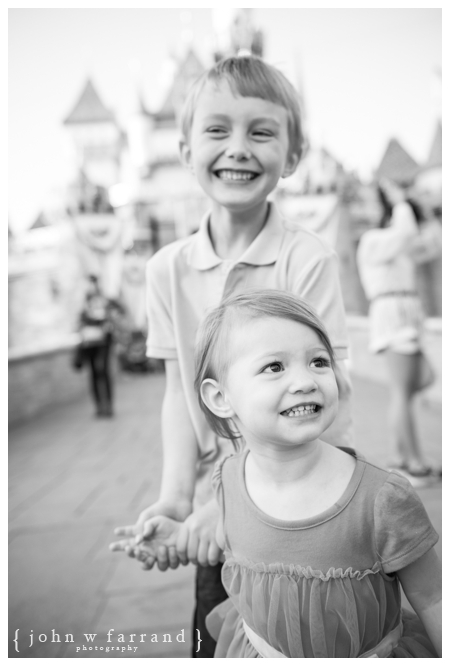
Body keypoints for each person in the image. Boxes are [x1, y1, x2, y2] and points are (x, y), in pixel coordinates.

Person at [110, 54, 352, 657]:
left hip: (298, 509)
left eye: (261, 131)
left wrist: (239, 505)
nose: (237, 148)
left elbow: (329, 398)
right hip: (209, 513)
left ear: (293, 156)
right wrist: (174, 499)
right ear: (185, 148)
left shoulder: (307, 261)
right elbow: (177, 393)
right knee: (213, 641)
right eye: (217, 130)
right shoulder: (165, 270)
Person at [131, 289, 441, 658]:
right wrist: (177, 538)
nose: (307, 381)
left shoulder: (383, 498)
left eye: (319, 362)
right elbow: (237, 541)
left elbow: (433, 598)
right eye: (275, 367)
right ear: (220, 398)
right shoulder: (228, 479)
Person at [356, 179, 439, 486]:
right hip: (391, 315)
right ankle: (412, 463)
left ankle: (400, 456)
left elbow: (434, 243)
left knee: (423, 379)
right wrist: (401, 200)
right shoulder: (374, 240)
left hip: (408, 316)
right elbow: (405, 232)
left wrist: (424, 212)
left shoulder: (397, 243)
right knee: (402, 393)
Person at [78, 276, 117, 417]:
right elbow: (80, 322)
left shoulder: (105, 301)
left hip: (103, 342)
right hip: (89, 343)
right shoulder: (83, 303)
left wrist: (107, 320)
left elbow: (116, 314)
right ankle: (99, 406)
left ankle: (109, 405)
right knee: (93, 373)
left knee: (103, 371)